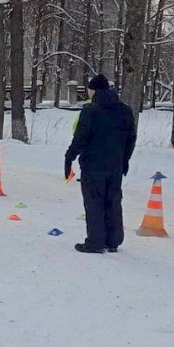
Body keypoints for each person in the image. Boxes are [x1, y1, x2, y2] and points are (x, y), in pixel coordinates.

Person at [64, 74, 137, 254]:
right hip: (116, 165)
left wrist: (69, 156)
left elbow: (81, 138)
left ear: (94, 90)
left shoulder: (91, 111)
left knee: (94, 201)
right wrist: (125, 160)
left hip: (93, 165)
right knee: (113, 201)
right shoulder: (125, 111)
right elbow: (131, 139)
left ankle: (95, 242)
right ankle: (113, 240)